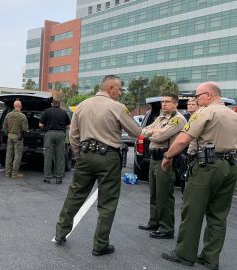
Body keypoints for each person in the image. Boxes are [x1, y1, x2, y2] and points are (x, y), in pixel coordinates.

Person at [53, 75, 141, 256]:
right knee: (107, 201)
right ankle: (100, 244)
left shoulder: (82, 105)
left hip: (85, 155)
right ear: (111, 88)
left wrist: (79, 154)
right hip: (108, 157)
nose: (120, 92)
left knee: (75, 194)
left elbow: (73, 135)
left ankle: (60, 232)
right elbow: (135, 131)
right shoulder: (117, 107)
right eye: (119, 88)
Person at [161, 82, 237, 269]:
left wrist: (167, 156)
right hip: (230, 166)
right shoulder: (233, 115)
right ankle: (210, 259)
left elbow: (183, 140)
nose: (196, 100)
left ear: (209, 95)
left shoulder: (205, 112)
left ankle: (185, 254)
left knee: (193, 211)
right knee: (218, 215)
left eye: (198, 96)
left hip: (207, 167)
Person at [138, 94, 187, 239]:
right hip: (154, 158)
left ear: (175, 104)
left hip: (166, 159)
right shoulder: (160, 118)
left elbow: (159, 137)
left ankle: (166, 227)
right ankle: (154, 222)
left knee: (164, 195)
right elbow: (143, 130)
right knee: (154, 193)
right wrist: (154, 131)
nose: (164, 104)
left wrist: (153, 133)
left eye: (167, 102)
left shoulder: (178, 119)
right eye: (162, 102)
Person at [40, 95, 71, 184]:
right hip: (61, 135)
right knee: (60, 157)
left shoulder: (47, 111)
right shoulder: (64, 112)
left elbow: (41, 125)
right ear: (59, 104)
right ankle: (59, 178)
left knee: (48, 156)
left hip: (49, 134)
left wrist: (46, 127)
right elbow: (69, 125)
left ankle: (47, 178)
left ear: (52, 103)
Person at [4, 100, 29, 179]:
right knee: (17, 155)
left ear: (14, 106)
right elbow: (25, 129)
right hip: (18, 137)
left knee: (9, 155)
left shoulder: (8, 115)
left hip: (10, 136)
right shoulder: (22, 116)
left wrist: (8, 134)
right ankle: (14, 174)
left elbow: (4, 127)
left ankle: (8, 173)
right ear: (20, 106)